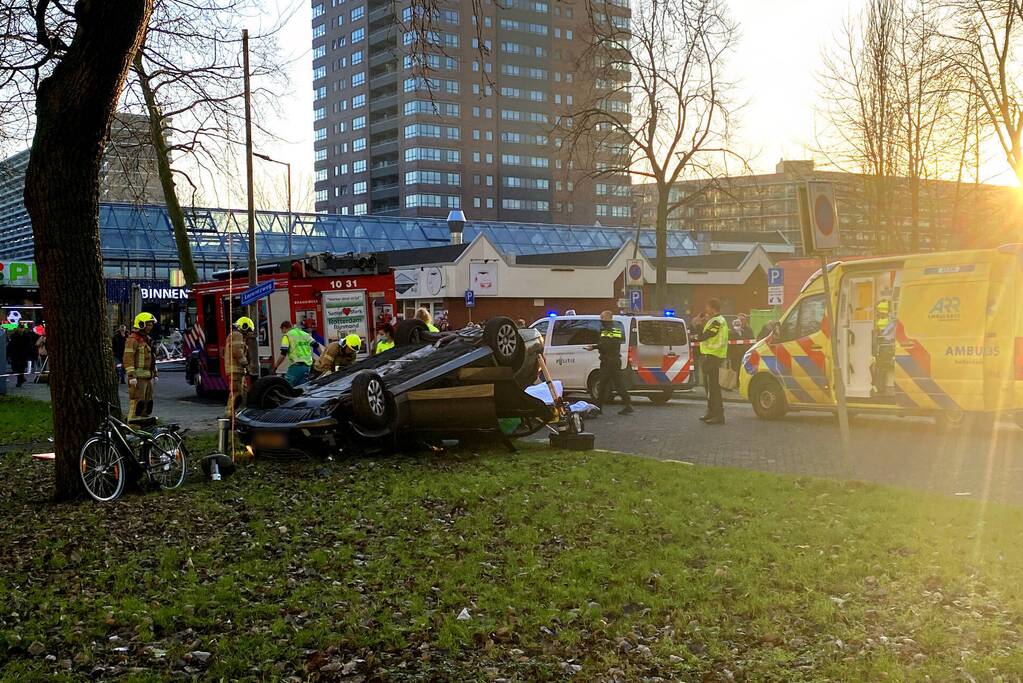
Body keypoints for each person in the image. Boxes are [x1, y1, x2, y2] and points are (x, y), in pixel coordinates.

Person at [587, 310, 633, 416]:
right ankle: (628, 405)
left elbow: (606, 345)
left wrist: (594, 347)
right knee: (619, 384)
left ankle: (598, 408)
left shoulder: (608, 331)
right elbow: (609, 343)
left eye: (602, 318)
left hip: (608, 361)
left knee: (602, 384)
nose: (601, 320)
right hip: (614, 361)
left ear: (607, 318)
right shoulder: (614, 330)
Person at [693, 298, 728, 425]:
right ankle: (711, 412)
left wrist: (697, 324)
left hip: (714, 356)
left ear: (713, 308)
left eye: (707, 307)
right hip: (710, 356)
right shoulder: (714, 320)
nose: (706, 310)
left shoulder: (717, 321)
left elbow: (705, 336)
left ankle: (719, 415)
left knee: (714, 388)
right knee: (709, 387)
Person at [124, 312, 159, 423]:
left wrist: (155, 372)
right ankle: (132, 425)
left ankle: (144, 426)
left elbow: (151, 357)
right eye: (148, 324)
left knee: (147, 403)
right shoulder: (133, 340)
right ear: (141, 324)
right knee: (137, 403)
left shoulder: (146, 339)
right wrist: (131, 376)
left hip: (148, 377)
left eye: (151, 324)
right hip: (137, 378)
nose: (150, 327)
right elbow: (128, 358)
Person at [273, 320, 317, 386]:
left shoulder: (287, 336)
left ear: (284, 328)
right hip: (307, 366)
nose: (282, 332)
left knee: (287, 387)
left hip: (296, 366)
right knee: (302, 389)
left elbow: (283, 354)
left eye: (282, 330)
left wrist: (275, 366)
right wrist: (323, 357)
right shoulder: (304, 333)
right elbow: (316, 345)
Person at [225, 316, 255, 416]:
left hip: (237, 370)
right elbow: (238, 352)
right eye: (249, 330)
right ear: (244, 327)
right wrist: (246, 365)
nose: (250, 333)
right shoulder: (237, 335)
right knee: (237, 394)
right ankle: (230, 417)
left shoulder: (235, 335)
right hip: (236, 370)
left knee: (241, 394)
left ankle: (234, 416)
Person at [5, 323, 34, 388]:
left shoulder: (26, 336)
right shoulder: (14, 335)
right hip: (15, 354)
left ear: (24, 328)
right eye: (20, 328)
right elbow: (11, 344)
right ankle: (21, 378)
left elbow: (29, 345)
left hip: (23, 354)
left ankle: (19, 381)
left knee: (21, 368)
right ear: (18, 328)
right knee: (14, 367)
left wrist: (30, 353)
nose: (21, 329)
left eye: (22, 328)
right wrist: (8, 353)